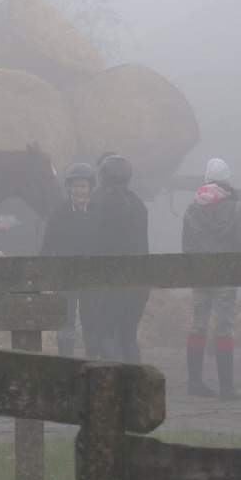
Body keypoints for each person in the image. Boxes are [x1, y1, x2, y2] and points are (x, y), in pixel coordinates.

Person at [182, 158, 241, 399]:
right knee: (224, 327)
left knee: (198, 324)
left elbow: (186, 246)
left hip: (200, 274)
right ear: (226, 180)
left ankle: (194, 383)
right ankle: (227, 388)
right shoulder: (235, 207)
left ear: (206, 179)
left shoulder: (192, 208)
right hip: (225, 274)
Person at [90, 154, 150, 362]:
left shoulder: (98, 201)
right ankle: (134, 376)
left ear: (103, 176)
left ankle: (113, 376)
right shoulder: (137, 204)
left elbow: (92, 240)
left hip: (109, 280)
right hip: (138, 282)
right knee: (128, 335)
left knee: (106, 332)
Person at [41, 162, 100, 357]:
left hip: (91, 278)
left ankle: (92, 360)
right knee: (65, 322)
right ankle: (66, 360)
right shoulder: (58, 214)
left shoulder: (99, 213)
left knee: (91, 320)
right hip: (65, 277)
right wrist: (43, 274)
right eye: (75, 186)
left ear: (90, 188)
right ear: (68, 188)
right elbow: (47, 246)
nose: (79, 191)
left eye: (83, 186)